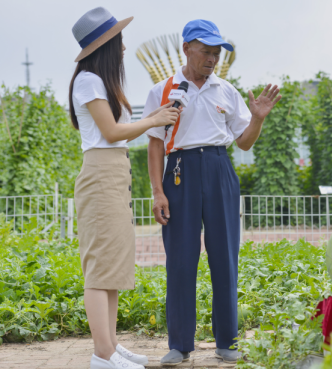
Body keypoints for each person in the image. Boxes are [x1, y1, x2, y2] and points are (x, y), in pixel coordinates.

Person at [143, 19, 281, 365]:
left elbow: (244, 144)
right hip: (179, 173)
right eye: (206, 51)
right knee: (180, 260)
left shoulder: (226, 90)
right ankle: (180, 344)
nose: (212, 58)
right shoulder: (162, 90)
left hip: (220, 170)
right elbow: (156, 145)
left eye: (217, 53)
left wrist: (258, 119)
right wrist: (158, 192)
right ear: (186, 47)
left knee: (225, 257)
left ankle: (227, 342)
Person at [69, 7, 181, 369]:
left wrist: (155, 117)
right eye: (117, 40)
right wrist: (155, 119)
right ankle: (102, 355)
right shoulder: (88, 80)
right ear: (103, 45)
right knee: (100, 266)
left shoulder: (101, 83)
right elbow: (112, 133)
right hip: (101, 173)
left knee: (112, 264)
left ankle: (111, 347)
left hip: (114, 173)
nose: (122, 47)